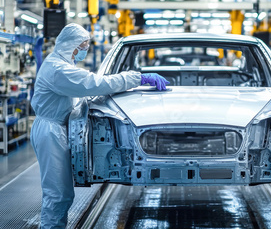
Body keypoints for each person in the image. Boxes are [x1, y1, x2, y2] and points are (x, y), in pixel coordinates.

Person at [30, 23, 168, 228]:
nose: (85, 49)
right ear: (71, 45)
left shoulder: (63, 65)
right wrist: (138, 77)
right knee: (57, 194)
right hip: (51, 132)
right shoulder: (58, 70)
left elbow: (84, 90)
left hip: (58, 128)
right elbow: (95, 83)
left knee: (62, 193)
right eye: (83, 45)